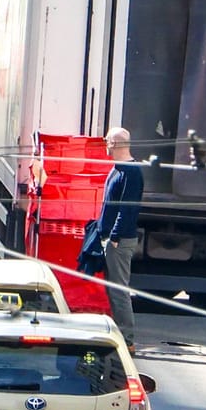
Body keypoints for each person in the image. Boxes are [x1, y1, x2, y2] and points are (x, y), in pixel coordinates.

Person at [77, 127, 144, 347]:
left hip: (119, 240)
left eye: (107, 140)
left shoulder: (131, 172)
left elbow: (128, 208)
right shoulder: (116, 169)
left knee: (119, 290)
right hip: (108, 237)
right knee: (112, 289)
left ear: (116, 143)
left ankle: (127, 340)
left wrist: (115, 234)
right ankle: (121, 335)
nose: (105, 144)